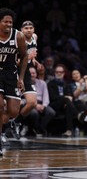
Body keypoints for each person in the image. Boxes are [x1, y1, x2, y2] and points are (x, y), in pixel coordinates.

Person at [0, 8, 28, 155]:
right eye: (5, 21)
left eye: (10, 22)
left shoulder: (18, 36)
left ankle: (5, 126)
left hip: (11, 74)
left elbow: (24, 56)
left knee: (13, 111)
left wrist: (21, 78)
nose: (9, 24)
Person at [9, 21, 39, 139]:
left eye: (31, 28)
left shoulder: (34, 37)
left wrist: (35, 61)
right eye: (26, 28)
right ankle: (6, 129)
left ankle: (16, 122)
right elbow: (14, 62)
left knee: (32, 103)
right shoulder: (18, 40)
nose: (28, 30)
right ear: (21, 30)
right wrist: (28, 58)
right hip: (15, 71)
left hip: (26, 72)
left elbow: (32, 54)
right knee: (12, 107)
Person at [21, 67, 56, 137]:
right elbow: (22, 98)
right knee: (34, 113)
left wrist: (44, 105)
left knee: (51, 112)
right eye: (30, 73)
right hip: (30, 104)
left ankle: (40, 128)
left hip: (41, 103)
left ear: (36, 74)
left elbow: (46, 96)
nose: (32, 75)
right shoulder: (23, 84)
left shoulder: (42, 83)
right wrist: (35, 105)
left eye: (34, 73)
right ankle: (34, 128)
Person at [47, 64, 78, 137]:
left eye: (60, 72)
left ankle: (69, 130)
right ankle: (77, 114)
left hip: (65, 105)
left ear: (64, 73)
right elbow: (52, 97)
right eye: (57, 72)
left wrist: (67, 99)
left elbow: (72, 96)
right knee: (67, 100)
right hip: (54, 104)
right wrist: (65, 98)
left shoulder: (66, 84)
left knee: (70, 105)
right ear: (55, 73)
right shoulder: (50, 84)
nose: (59, 73)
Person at [70, 69, 87, 137]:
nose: (76, 75)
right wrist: (80, 84)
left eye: (77, 73)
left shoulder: (86, 82)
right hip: (78, 101)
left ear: (80, 74)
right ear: (72, 77)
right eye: (74, 74)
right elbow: (75, 95)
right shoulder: (71, 85)